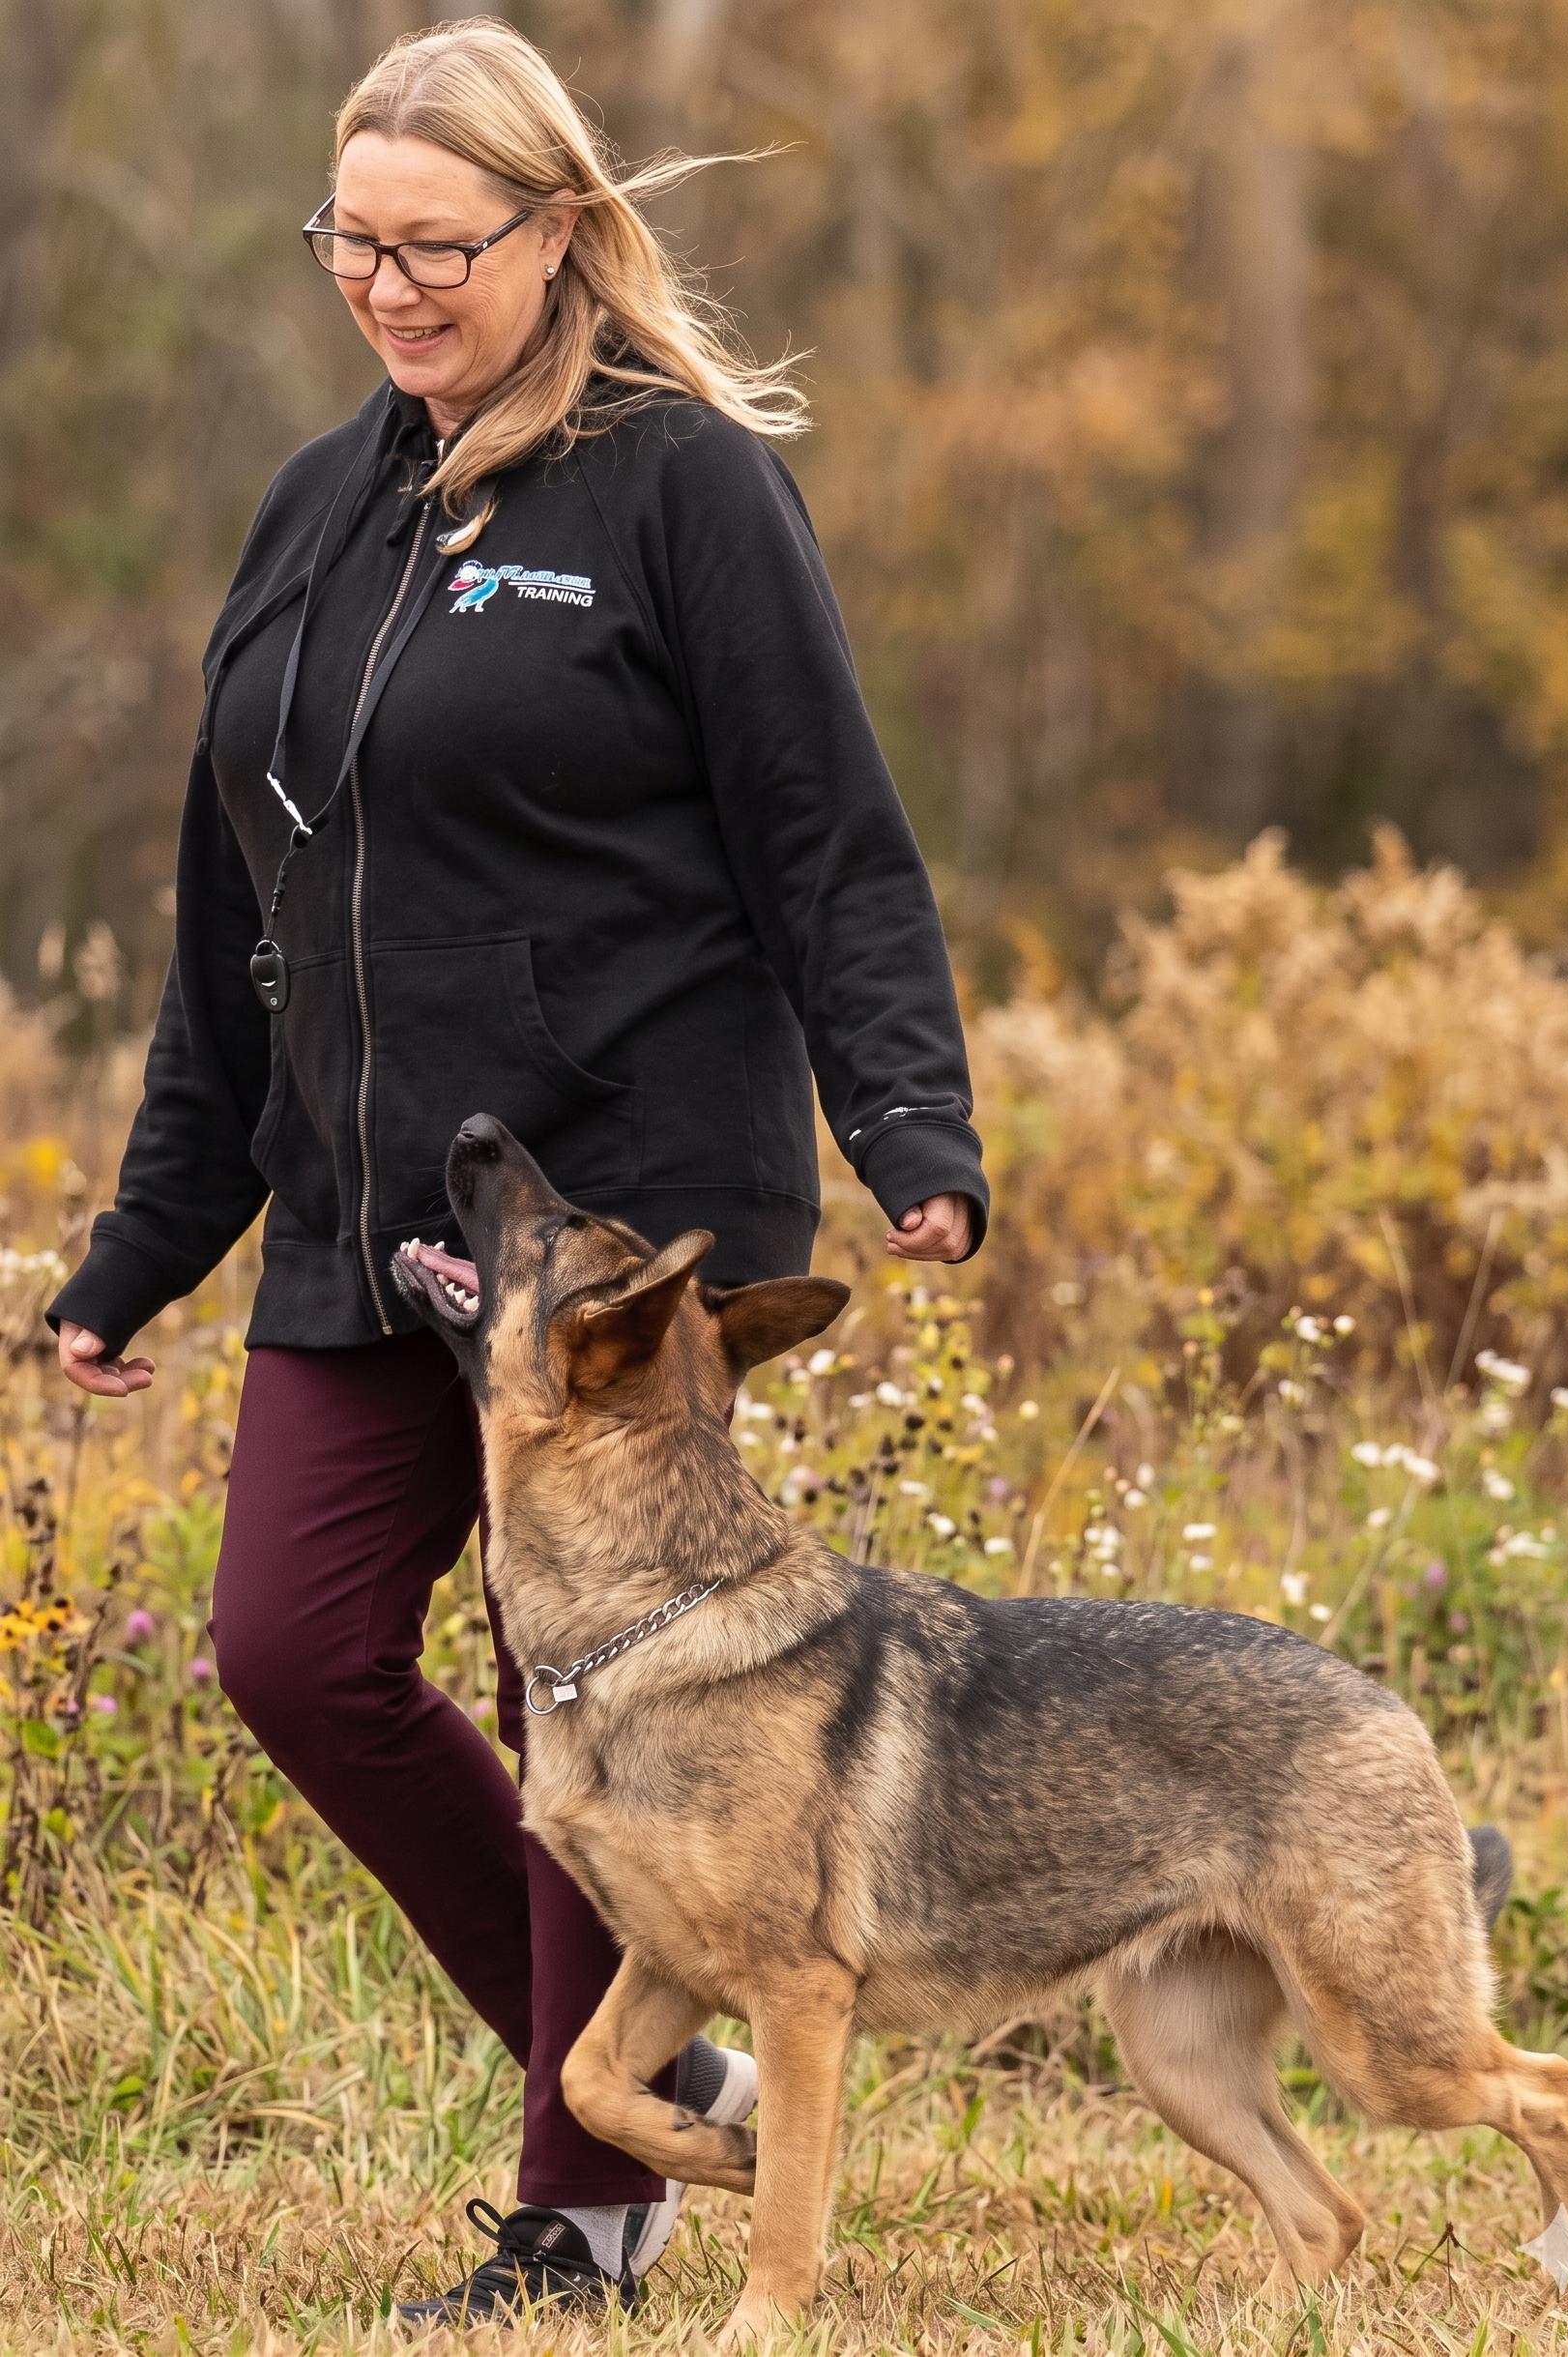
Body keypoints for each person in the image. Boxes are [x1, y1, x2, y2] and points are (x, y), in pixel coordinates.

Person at [47, 15, 986, 2328]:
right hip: (372, 1219)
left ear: (557, 231)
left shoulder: (679, 490)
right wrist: (145, 1247)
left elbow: (829, 843)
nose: (385, 285)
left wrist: (909, 1128)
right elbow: (230, 944)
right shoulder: (313, 507)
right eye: (350, 242)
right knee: (289, 1645)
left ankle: (585, 2202)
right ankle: (669, 2082)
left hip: (618, 1229)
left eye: (434, 244)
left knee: (594, 1699)